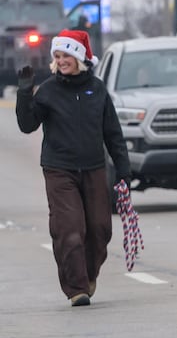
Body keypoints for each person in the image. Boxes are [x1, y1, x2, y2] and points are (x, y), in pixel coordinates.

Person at [13, 30, 131, 307]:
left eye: (67, 55)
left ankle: (88, 275)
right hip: (59, 169)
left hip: (93, 168)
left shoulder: (97, 89)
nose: (62, 60)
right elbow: (27, 125)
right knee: (70, 229)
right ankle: (76, 287)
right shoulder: (48, 91)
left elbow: (112, 133)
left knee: (100, 229)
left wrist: (124, 170)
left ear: (80, 56)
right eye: (57, 56)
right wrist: (23, 94)